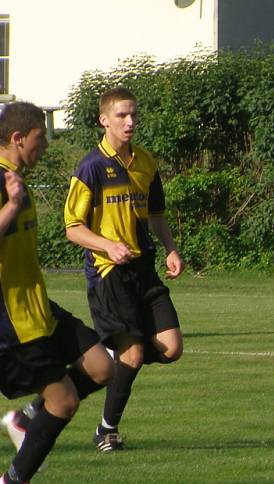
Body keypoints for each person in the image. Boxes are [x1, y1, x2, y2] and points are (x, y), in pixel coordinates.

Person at [0, 102, 113, 484]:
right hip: (13, 323)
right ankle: (14, 483)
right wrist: (12, 206)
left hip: (40, 312)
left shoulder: (14, 178)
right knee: (65, 402)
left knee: (101, 366)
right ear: (18, 138)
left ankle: (26, 420)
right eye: (40, 137)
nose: (46, 145)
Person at [63, 86, 184, 452]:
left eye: (134, 115)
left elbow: (157, 214)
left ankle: (112, 355)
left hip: (143, 269)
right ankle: (106, 430)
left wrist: (171, 248)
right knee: (133, 354)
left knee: (171, 347)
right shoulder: (91, 167)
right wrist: (108, 245)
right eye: (121, 116)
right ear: (104, 120)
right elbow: (72, 228)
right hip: (108, 274)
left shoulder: (146, 162)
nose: (130, 122)